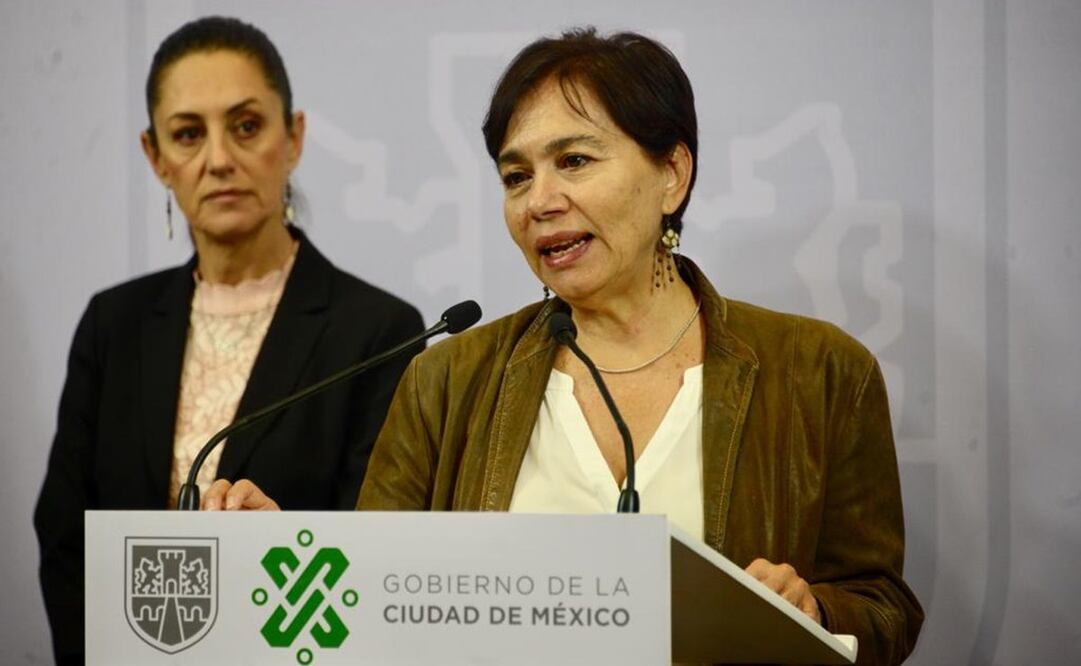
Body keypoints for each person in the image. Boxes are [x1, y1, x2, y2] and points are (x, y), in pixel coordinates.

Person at [209, 27, 923, 664]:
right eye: (516, 176)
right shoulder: (447, 379)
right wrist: (292, 560)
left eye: (574, 161)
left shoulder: (821, 372)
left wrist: (816, 611)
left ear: (671, 174)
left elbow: (883, 607)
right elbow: (382, 600)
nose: (538, 201)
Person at [33, 16, 424, 664]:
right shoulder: (114, 325)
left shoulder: (377, 331)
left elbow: (381, 555)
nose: (219, 160)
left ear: (293, 137)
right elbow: (65, 536)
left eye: (246, 126)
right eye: (188, 135)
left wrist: (282, 545)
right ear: (154, 156)